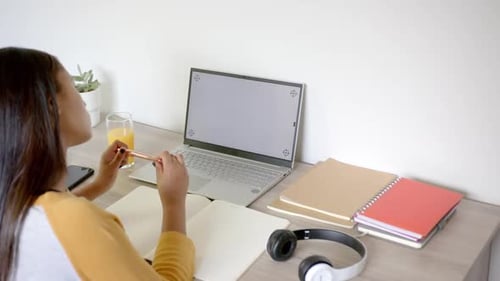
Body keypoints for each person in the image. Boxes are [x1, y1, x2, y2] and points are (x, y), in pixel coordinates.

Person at [0, 47, 194, 281]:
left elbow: (50, 214)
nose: (83, 98)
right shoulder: (79, 221)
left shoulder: (12, 198)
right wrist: (174, 202)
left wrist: (101, 183)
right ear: (52, 106)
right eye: (73, 86)